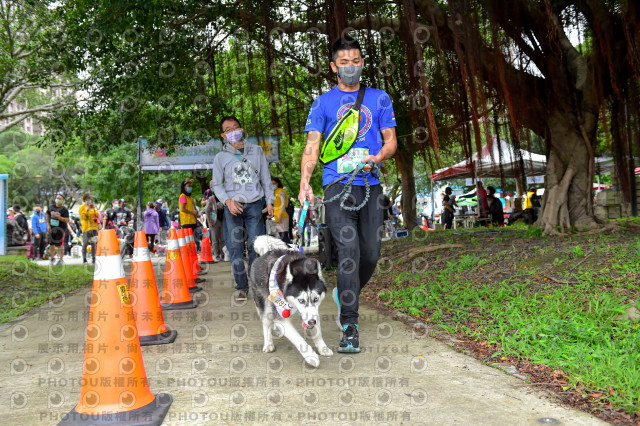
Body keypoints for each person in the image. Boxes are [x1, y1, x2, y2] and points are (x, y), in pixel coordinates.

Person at [299, 35, 397, 353]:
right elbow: (312, 146)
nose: (350, 67)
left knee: (370, 254)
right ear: (333, 67)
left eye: (355, 61)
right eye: (344, 62)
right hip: (336, 185)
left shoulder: (380, 98)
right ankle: (350, 325)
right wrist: (305, 183)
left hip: (370, 183)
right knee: (349, 252)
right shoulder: (322, 103)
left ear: (362, 63)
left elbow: (391, 141)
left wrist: (377, 157)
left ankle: (346, 292)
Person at [212, 115, 275, 301]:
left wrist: (269, 201)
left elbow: (265, 177)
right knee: (234, 247)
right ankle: (241, 286)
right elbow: (217, 185)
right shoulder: (220, 158)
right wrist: (227, 201)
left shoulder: (256, 151)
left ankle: (256, 284)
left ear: (241, 129)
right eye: (228, 129)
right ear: (223, 136)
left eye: (236, 127)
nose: (233, 131)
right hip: (233, 207)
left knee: (258, 246)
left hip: (255, 204)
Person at [47, 194, 70, 265]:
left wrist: (58, 217)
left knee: (60, 244)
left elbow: (66, 220)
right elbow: (47, 215)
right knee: (51, 244)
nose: (58, 200)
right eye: (57, 198)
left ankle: (61, 259)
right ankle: (52, 258)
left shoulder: (64, 209)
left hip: (61, 229)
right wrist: (48, 225)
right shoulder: (51, 207)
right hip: (52, 228)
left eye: (60, 198)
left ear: (63, 201)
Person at [203, 187, 225, 261]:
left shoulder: (223, 198)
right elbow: (207, 211)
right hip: (214, 221)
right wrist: (209, 222)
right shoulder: (211, 199)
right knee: (215, 239)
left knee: (222, 239)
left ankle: (223, 254)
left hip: (222, 220)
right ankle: (217, 255)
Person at [79, 193, 100, 263]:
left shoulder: (93, 207)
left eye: (90, 199)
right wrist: (87, 209)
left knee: (93, 243)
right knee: (85, 242)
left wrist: (94, 209)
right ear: (84, 199)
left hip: (94, 227)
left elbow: (97, 215)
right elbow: (83, 216)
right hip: (86, 227)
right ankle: (84, 258)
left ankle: (94, 258)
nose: (89, 200)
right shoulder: (82, 207)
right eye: (87, 199)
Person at [271, 177, 290, 244]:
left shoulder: (281, 191)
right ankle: (288, 252)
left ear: (278, 183)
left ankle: (293, 252)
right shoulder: (275, 192)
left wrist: (280, 215)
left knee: (284, 236)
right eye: (271, 184)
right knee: (282, 237)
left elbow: (283, 204)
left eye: (274, 183)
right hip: (278, 217)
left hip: (283, 216)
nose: (273, 185)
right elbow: (275, 206)